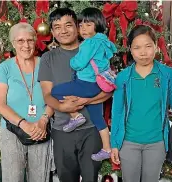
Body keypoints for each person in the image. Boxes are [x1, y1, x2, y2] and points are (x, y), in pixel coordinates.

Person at [38, 8, 111, 182]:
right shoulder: (48, 58)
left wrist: (86, 100)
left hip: (91, 130)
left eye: (68, 25)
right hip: (62, 130)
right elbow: (47, 95)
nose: (63, 31)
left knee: (90, 177)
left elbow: (108, 89)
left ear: (77, 27)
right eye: (57, 27)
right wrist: (63, 107)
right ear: (53, 31)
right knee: (66, 177)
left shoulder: (93, 47)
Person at [110, 25, 172, 182]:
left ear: (156, 46)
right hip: (129, 141)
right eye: (137, 47)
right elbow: (117, 111)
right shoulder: (123, 77)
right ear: (130, 50)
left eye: (148, 46)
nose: (143, 52)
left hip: (157, 142)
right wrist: (114, 143)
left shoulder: (167, 74)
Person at [51, 7, 117, 161]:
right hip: (98, 85)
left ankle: (75, 116)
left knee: (56, 91)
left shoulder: (89, 43)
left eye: (88, 24)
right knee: (98, 119)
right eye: (81, 25)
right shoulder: (103, 41)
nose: (83, 29)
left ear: (97, 24)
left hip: (86, 83)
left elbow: (79, 64)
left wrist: (72, 61)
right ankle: (107, 148)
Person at [0, 22, 53, 182]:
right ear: (13, 43)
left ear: (35, 41)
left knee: (40, 178)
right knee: (13, 178)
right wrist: (23, 124)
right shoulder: (4, 68)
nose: (26, 45)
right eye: (20, 41)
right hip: (12, 130)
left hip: (41, 129)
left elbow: (54, 97)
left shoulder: (45, 64)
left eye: (30, 40)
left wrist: (43, 120)